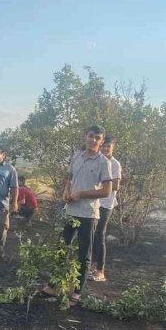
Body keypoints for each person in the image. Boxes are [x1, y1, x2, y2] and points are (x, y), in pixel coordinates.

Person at [61, 125, 112, 301]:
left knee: (84, 255)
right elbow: (69, 177)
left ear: (102, 141)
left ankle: (76, 292)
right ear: (85, 136)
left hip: (89, 215)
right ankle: (54, 286)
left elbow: (106, 191)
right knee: (62, 249)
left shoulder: (103, 162)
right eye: (91, 136)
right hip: (70, 211)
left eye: (98, 138)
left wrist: (81, 194)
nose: (93, 140)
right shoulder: (77, 156)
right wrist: (66, 191)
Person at [91, 137, 122, 282]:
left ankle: (100, 271)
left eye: (108, 147)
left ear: (112, 148)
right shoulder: (97, 160)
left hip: (106, 203)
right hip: (94, 203)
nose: (105, 149)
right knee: (91, 235)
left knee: (100, 235)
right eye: (104, 146)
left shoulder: (115, 164)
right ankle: (91, 266)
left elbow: (115, 186)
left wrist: (101, 187)